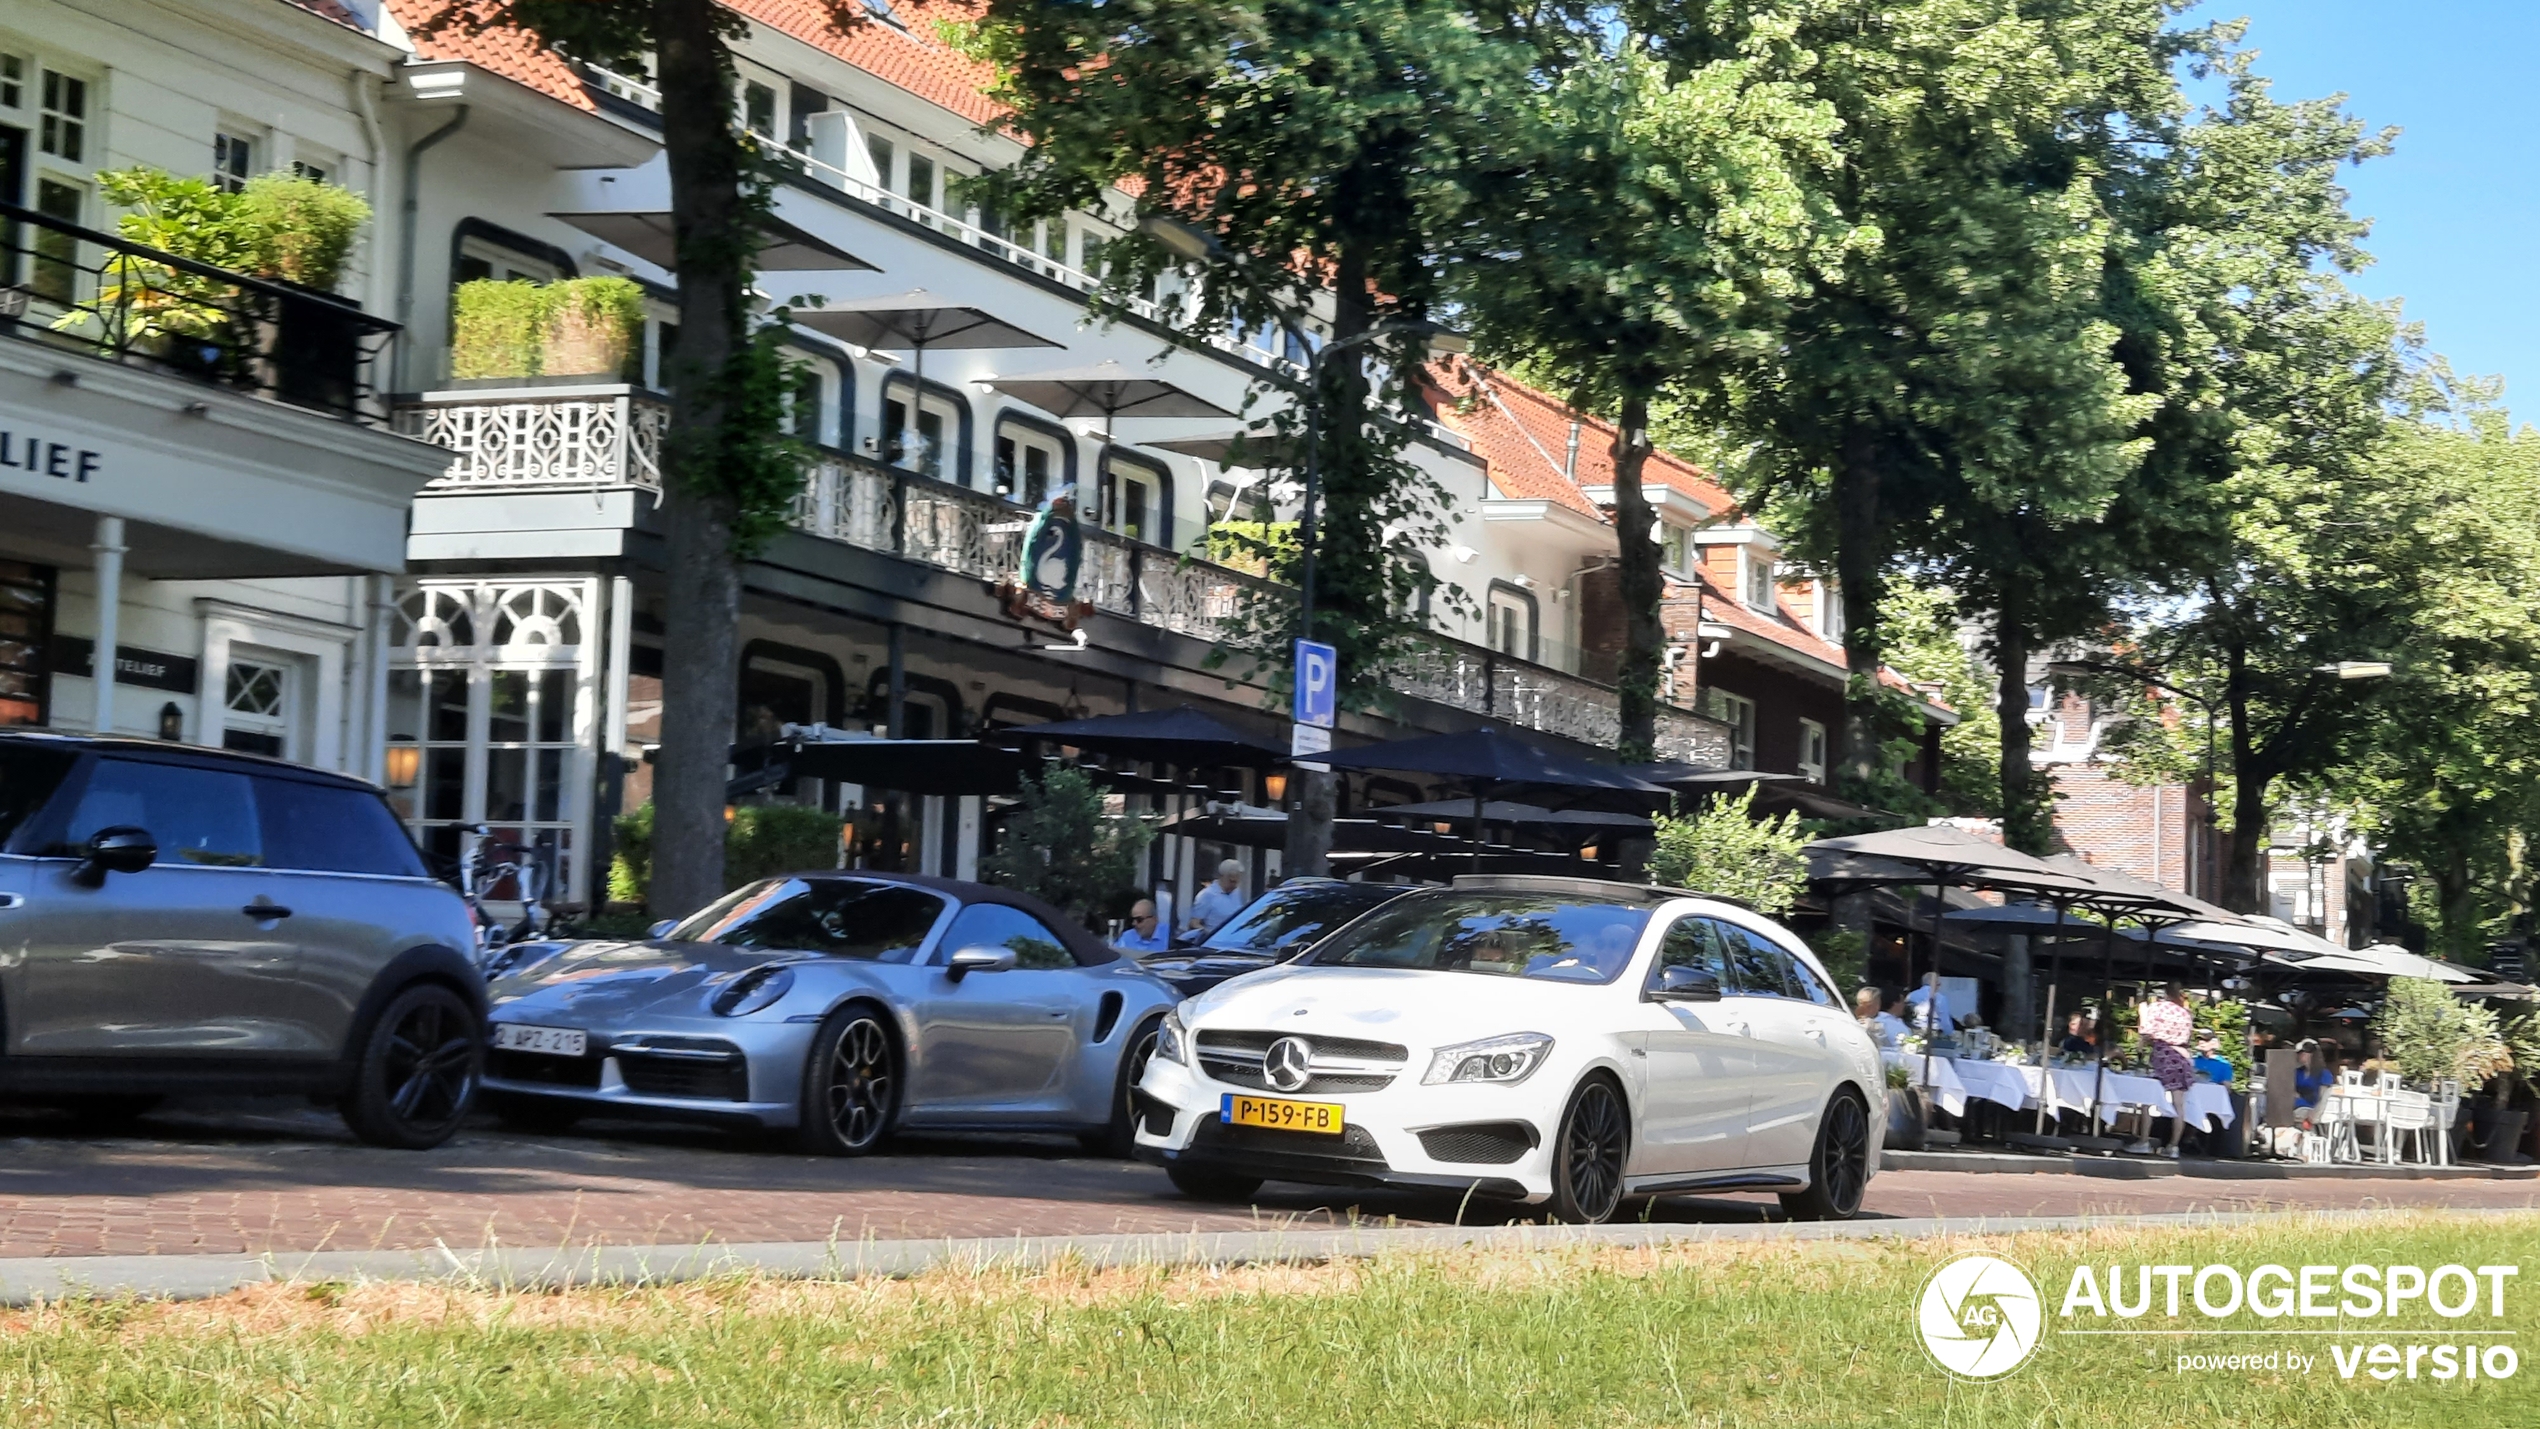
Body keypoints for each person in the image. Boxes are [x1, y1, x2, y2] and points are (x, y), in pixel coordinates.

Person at [2139, 983, 2197, 1159]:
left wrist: (2143, 1013)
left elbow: (2146, 1032)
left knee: (2148, 1099)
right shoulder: (2185, 1013)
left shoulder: (2156, 1008)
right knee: (2178, 1104)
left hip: (2163, 1055)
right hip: (2182, 1056)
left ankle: (2143, 1142)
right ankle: (2173, 1146)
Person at [1185, 859, 1248, 939]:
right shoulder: (1207, 895)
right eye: (1231, 881)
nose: (1234, 885)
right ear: (1222, 876)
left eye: (1236, 882)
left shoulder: (1236, 893)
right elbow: (1194, 923)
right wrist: (1209, 934)